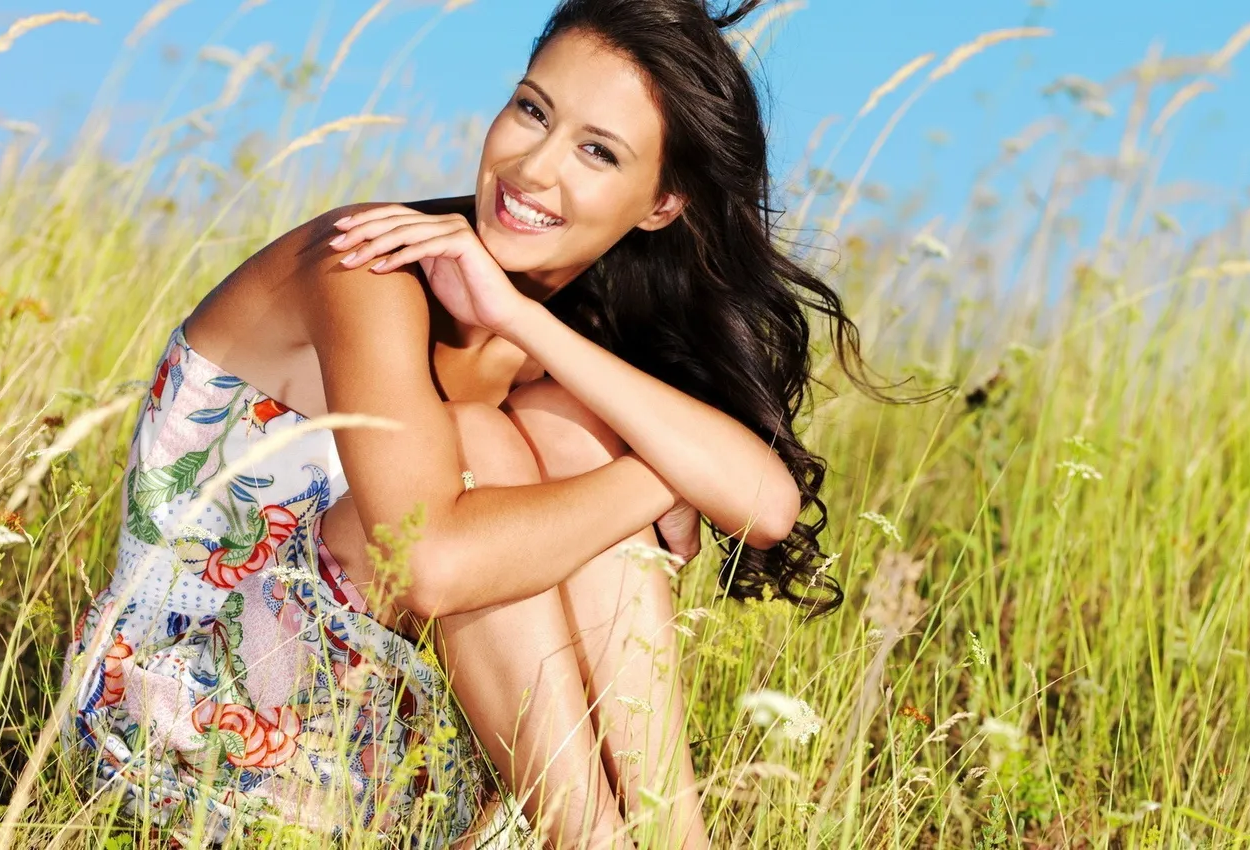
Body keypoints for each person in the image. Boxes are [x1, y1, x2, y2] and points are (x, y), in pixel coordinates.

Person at [60, 0, 875, 847]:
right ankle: (590, 840)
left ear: (661, 205)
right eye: (532, 110)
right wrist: (661, 473)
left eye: (597, 152)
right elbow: (426, 566)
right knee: (491, 445)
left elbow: (768, 508)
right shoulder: (367, 263)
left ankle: (675, 836)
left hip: (376, 741)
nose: (532, 168)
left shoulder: (572, 327)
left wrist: (529, 328)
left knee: (569, 429)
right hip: (187, 719)